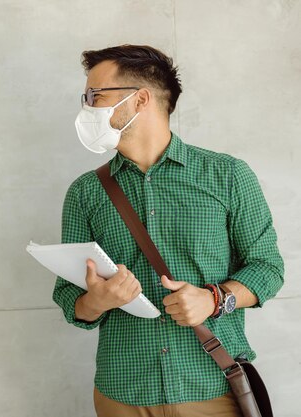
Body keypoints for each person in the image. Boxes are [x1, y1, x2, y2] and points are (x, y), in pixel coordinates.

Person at [53, 45, 284, 416]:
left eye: (96, 95)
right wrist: (97, 301)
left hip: (211, 389)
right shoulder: (85, 193)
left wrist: (214, 299)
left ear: (140, 99)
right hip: (121, 394)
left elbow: (268, 268)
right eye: (86, 97)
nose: (88, 107)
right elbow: (69, 298)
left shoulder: (227, 176)